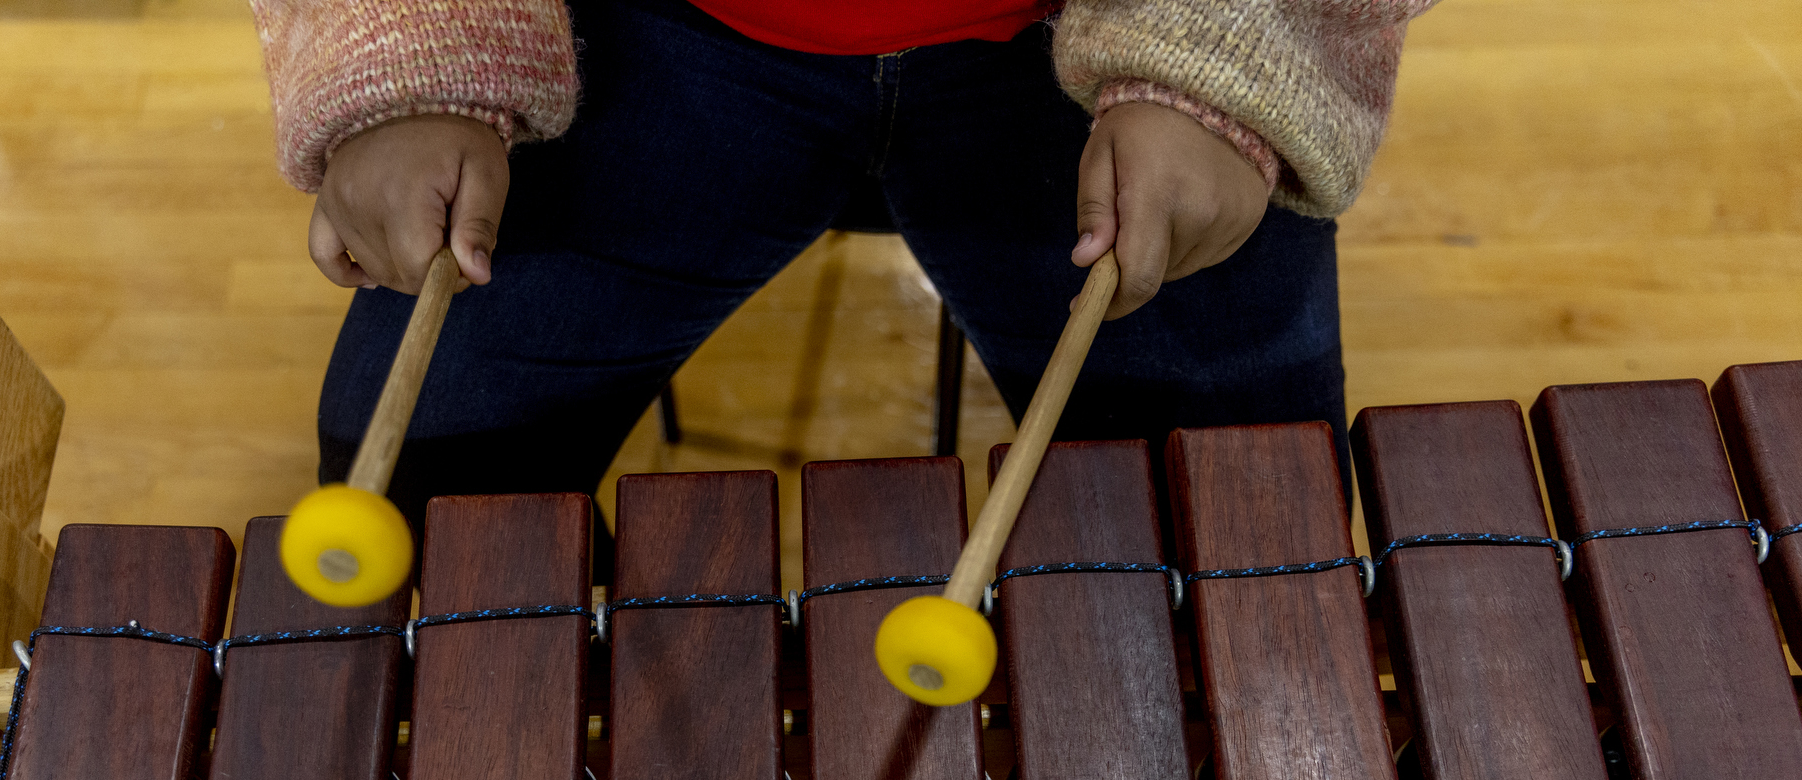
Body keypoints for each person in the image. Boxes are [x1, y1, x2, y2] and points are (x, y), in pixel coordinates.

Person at [253, 0, 1436, 566]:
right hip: (653, 32)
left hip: (1109, 38)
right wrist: (401, 47)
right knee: (429, 496)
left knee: (1251, 540)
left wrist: (1230, 52)